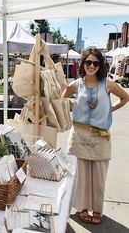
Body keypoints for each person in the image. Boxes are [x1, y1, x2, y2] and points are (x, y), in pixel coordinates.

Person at [62, 48, 129, 225]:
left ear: (100, 65)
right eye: (88, 62)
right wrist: (72, 107)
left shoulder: (107, 84)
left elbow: (125, 98)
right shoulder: (76, 84)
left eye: (96, 63)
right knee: (81, 177)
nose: (92, 66)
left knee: (99, 177)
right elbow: (62, 100)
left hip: (100, 137)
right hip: (79, 135)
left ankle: (97, 209)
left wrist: (110, 109)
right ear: (83, 64)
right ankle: (82, 208)